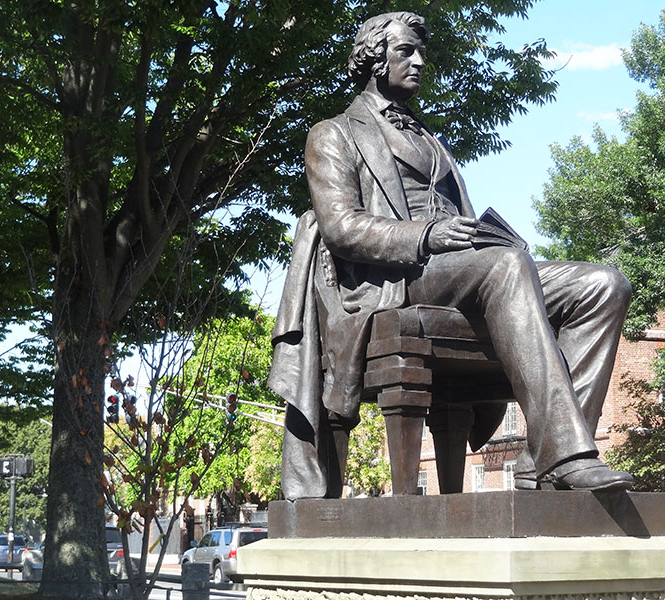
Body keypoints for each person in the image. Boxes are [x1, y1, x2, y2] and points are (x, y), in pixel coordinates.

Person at [268, 11, 633, 500]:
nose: (419, 62)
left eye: (422, 53)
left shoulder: (430, 138)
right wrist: (426, 236)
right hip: (393, 280)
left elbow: (458, 221)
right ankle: (569, 456)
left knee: (604, 285)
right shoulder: (334, 133)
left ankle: (542, 459)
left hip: (461, 265)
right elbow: (341, 228)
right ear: (375, 59)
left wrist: (488, 235)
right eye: (405, 52)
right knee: (504, 267)